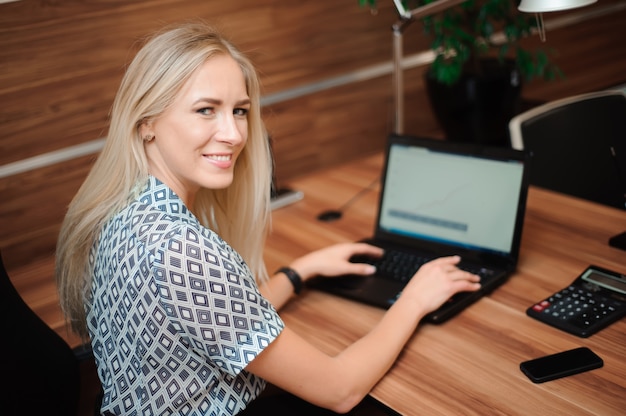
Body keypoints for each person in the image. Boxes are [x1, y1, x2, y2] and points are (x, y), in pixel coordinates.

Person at [56, 22, 481, 415]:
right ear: (147, 121)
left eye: (239, 110)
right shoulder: (180, 251)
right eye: (206, 110)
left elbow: (215, 319)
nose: (235, 134)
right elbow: (340, 390)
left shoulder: (119, 209)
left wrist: (300, 272)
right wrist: (414, 299)